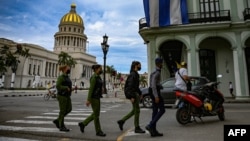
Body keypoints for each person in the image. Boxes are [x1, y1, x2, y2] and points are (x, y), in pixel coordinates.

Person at [117, 61, 145, 134]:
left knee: (134, 111)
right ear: (135, 66)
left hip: (135, 94)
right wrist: (131, 96)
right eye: (139, 65)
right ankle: (137, 127)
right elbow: (130, 86)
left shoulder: (135, 74)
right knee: (137, 111)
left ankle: (122, 121)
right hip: (133, 95)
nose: (140, 67)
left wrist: (140, 93)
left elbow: (135, 86)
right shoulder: (133, 74)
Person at [78, 64, 106, 137]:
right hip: (94, 98)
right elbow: (91, 89)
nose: (101, 70)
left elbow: (98, 86)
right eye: (100, 69)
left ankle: (83, 124)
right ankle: (98, 131)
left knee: (96, 114)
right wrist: (88, 99)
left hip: (97, 97)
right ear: (96, 69)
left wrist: (101, 89)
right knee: (96, 115)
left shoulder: (98, 77)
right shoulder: (94, 78)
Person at [145, 58, 165, 137]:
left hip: (153, 90)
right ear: (159, 63)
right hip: (154, 91)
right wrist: (156, 96)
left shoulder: (155, 71)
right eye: (161, 63)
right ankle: (150, 125)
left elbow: (154, 83)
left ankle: (153, 131)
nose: (162, 64)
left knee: (155, 111)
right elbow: (153, 85)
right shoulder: (157, 73)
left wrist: (159, 85)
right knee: (162, 109)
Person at [53, 65, 73, 132]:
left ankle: (58, 120)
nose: (69, 69)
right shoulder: (61, 77)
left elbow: (68, 87)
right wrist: (65, 88)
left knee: (69, 109)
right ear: (64, 69)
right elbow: (58, 85)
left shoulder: (67, 77)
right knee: (62, 111)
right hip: (62, 96)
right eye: (68, 68)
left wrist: (72, 89)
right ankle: (61, 126)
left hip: (67, 96)